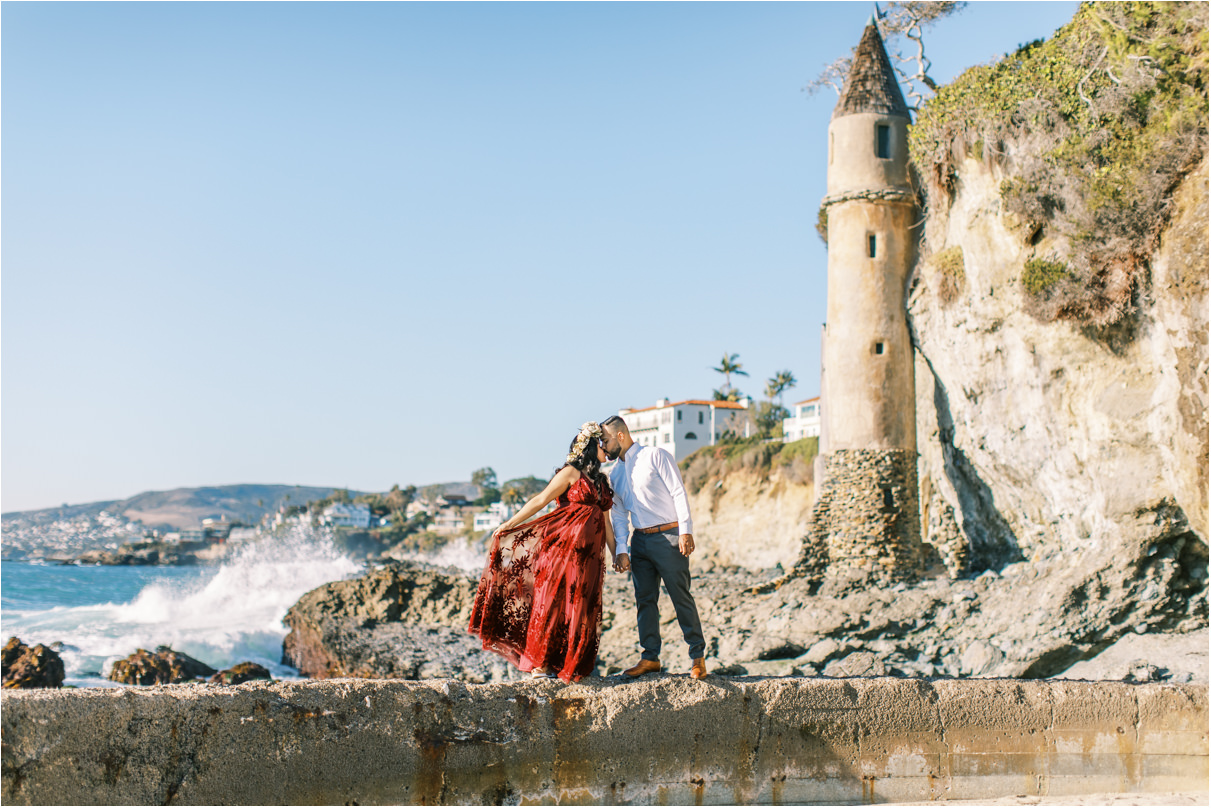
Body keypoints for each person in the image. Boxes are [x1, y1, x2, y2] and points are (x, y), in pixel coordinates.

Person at [468, 422, 619, 682]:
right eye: (603, 444)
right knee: (552, 603)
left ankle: (569, 664)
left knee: (581, 607)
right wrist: (509, 524)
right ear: (592, 446)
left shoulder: (602, 483)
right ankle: (540, 664)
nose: (607, 449)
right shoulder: (571, 473)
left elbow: (606, 523)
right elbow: (540, 500)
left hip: (590, 558)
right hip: (561, 552)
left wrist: (617, 554)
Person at [600, 414, 708, 680]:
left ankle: (697, 658)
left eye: (605, 440)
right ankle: (650, 658)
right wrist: (622, 549)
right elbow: (618, 515)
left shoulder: (656, 455)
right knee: (644, 600)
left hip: (669, 536)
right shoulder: (615, 474)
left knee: (680, 596)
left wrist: (685, 530)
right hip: (640, 541)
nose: (603, 447)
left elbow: (678, 492)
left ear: (620, 436)